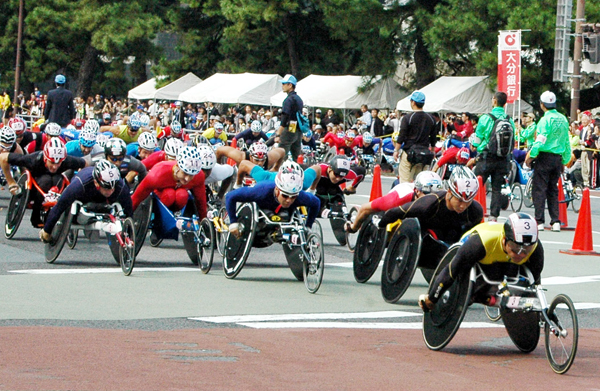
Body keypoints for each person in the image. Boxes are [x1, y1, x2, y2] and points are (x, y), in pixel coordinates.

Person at [419, 212, 542, 312]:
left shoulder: (535, 249)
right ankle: (481, 296)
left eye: (526, 249)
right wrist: (431, 298)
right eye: (515, 248)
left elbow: (535, 281)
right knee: (471, 294)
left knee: (514, 270)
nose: (521, 254)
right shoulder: (480, 243)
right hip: (477, 255)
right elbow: (451, 270)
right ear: (504, 240)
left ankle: (493, 296)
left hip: (504, 263)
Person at [378, 166, 484, 245]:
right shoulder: (429, 203)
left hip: (451, 239)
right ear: (449, 192)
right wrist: (379, 227)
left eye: (468, 202)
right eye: (460, 200)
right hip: (424, 235)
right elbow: (396, 212)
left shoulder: (476, 211)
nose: (463, 206)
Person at [39, 160, 133, 243]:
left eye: (113, 187)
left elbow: (129, 210)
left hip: (105, 200)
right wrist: (47, 230)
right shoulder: (79, 185)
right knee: (65, 201)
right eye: (107, 187)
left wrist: (129, 234)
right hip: (84, 195)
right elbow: (60, 206)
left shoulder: (120, 186)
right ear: (96, 182)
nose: (110, 191)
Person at [0, 138, 87, 227]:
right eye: (52, 162)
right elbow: (3, 158)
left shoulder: (67, 161)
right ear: (45, 158)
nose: (54, 166)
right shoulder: (33, 159)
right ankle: (36, 215)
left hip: (55, 186)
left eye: (58, 163)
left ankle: (51, 215)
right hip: (34, 188)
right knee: (46, 180)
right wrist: (11, 182)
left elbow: (86, 164)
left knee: (59, 179)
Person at [226, 161, 321, 238]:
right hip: (268, 179)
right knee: (253, 172)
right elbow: (230, 196)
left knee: (307, 192)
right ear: (277, 190)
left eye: (293, 197)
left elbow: (317, 169)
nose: (289, 200)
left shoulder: (302, 189)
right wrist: (233, 222)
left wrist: (308, 226)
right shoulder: (262, 189)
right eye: (285, 196)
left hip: (295, 184)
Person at [525, 91, 571, 232]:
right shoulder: (563, 119)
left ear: (542, 104)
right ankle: (555, 221)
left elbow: (540, 140)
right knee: (553, 189)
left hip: (544, 157)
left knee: (539, 189)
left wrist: (531, 155)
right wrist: (565, 159)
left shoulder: (545, 121)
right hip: (558, 158)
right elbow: (566, 142)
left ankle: (539, 221)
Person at [347, 171, 443, 234]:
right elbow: (364, 208)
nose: (431, 198)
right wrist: (353, 228)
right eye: (427, 194)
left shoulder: (442, 198)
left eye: (436, 194)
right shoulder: (398, 198)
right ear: (417, 191)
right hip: (399, 196)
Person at [471, 91, 515, 222]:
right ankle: (494, 216)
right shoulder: (509, 119)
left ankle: (473, 212)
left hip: (486, 157)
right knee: (496, 188)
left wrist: (474, 146)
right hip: (502, 158)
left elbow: (478, 138)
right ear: (505, 103)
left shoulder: (486, 118)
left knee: (477, 184)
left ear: (494, 101)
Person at [132, 146, 207, 220]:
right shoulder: (158, 173)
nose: (187, 178)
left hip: (179, 200)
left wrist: (204, 221)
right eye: (185, 173)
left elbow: (201, 201)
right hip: (161, 196)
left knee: (182, 195)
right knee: (169, 194)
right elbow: (137, 197)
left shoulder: (199, 176)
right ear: (177, 166)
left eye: (191, 175)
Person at [393, 91, 437, 183]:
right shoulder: (431, 119)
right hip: (424, 154)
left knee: (405, 183)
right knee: (422, 183)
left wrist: (396, 150)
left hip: (410, 153)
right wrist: (432, 150)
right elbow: (433, 137)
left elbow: (402, 136)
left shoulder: (408, 118)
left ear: (413, 102)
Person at [274, 74, 303, 161]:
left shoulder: (288, 100)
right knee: (296, 156)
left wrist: (278, 133)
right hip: (298, 130)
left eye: (284, 84)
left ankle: (281, 172)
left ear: (290, 85)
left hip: (289, 130)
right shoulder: (299, 99)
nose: (282, 86)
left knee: (281, 154)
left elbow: (285, 117)